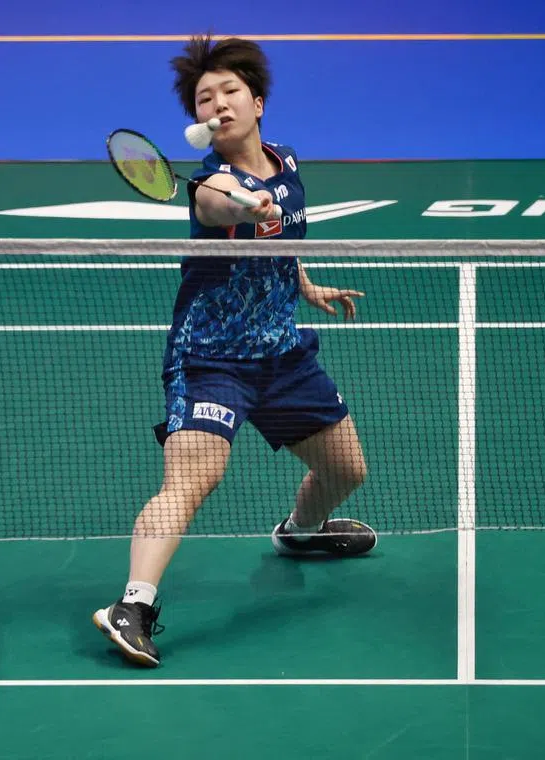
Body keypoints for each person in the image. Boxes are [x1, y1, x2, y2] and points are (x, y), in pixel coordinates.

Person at [93, 35, 377, 668]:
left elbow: (285, 234)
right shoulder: (209, 187)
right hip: (211, 360)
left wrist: (303, 283)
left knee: (347, 471)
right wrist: (245, 201)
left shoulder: (288, 161)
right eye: (203, 99)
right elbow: (221, 205)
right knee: (196, 478)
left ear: (258, 101)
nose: (216, 105)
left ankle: (300, 534)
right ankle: (133, 606)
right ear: (197, 121)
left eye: (227, 92)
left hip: (282, 356)